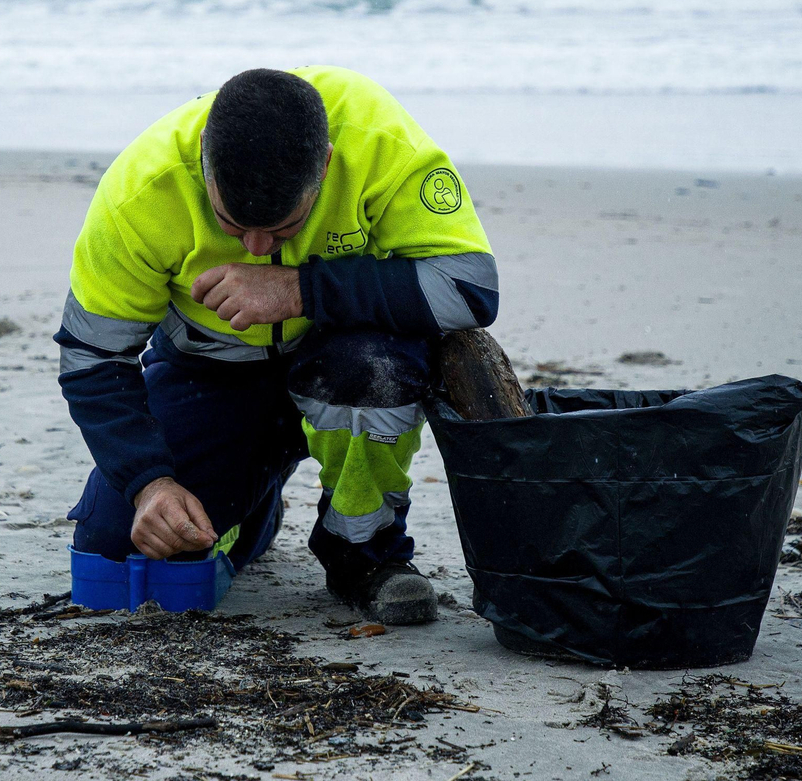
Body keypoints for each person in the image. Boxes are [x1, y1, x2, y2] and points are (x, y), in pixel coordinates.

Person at [54, 65, 497, 624]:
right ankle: (257, 503)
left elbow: (471, 288)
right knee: (117, 543)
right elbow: (93, 358)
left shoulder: (378, 139)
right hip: (212, 374)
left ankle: (363, 553)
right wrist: (148, 483)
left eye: (284, 228)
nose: (256, 246)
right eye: (231, 224)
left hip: (348, 361)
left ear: (327, 166)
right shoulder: (141, 190)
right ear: (203, 169)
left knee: (369, 371)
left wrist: (301, 288)